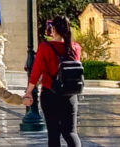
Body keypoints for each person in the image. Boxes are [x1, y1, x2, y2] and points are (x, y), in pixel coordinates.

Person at [25, 15, 83, 147]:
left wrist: (29, 92)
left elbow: (36, 72)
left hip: (50, 94)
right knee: (71, 133)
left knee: (54, 134)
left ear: (53, 29)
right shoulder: (76, 48)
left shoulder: (45, 47)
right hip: (70, 94)